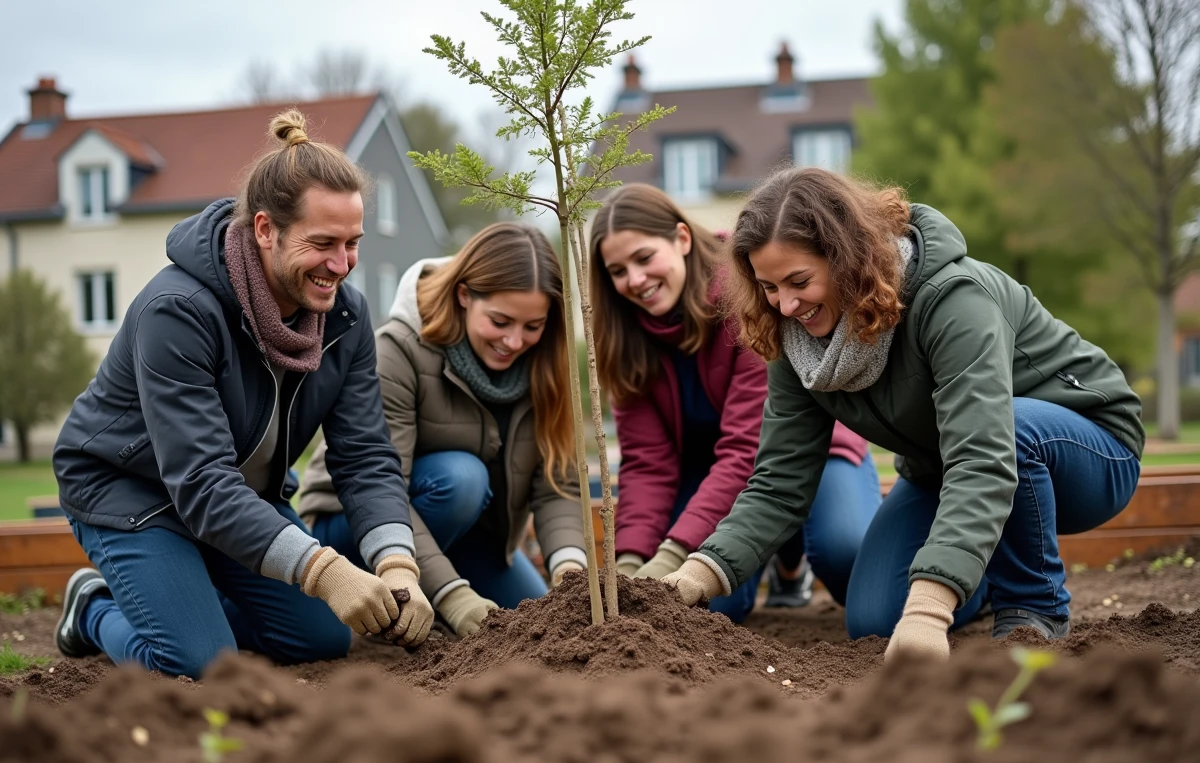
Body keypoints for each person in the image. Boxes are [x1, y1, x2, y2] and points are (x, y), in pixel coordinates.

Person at [659, 167, 1144, 659]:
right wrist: (694, 576)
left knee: (1013, 429)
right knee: (875, 619)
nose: (784, 305)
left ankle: (1032, 608)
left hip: (1087, 450)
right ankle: (977, 578)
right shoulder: (797, 342)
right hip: (942, 468)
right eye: (767, 287)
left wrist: (929, 612)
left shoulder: (953, 300)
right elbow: (780, 482)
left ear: (846, 257)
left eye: (798, 281)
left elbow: (983, 457)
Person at [51, 110, 434, 679]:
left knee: (322, 638)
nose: (341, 264)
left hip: (236, 499)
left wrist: (397, 562)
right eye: (323, 243)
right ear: (264, 230)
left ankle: (184, 596)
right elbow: (201, 480)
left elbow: (365, 456)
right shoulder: (178, 312)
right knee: (199, 666)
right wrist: (326, 571)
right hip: (132, 492)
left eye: (352, 243)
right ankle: (94, 609)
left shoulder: (345, 318)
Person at [588, 184, 879, 623]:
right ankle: (777, 558)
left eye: (644, 258)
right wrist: (631, 565)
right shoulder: (622, 336)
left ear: (682, 239)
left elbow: (747, 449)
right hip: (707, 474)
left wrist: (670, 560)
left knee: (844, 555)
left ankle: (789, 560)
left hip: (807, 452)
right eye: (618, 270)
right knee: (711, 604)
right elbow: (648, 462)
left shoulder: (746, 300)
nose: (635, 279)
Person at [298, 222, 588, 639]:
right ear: (465, 295)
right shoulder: (398, 352)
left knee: (537, 615)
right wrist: (454, 596)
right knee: (462, 479)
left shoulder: (543, 366)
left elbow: (556, 483)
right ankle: (407, 597)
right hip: (355, 529)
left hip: (468, 538)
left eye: (532, 326)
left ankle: (438, 589)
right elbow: (383, 488)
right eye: (501, 320)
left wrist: (569, 568)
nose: (514, 340)